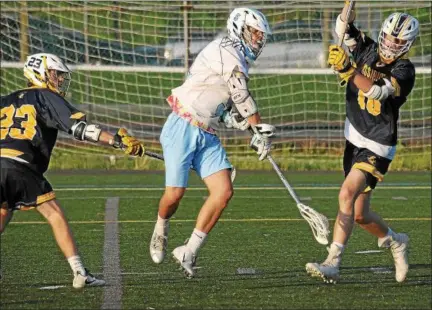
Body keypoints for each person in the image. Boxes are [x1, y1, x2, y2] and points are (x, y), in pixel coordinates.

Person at [149, 7, 275, 278]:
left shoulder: (237, 56)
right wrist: (258, 130)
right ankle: (161, 227)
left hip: (206, 131)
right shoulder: (227, 49)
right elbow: (241, 94)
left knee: (223, 191)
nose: (257, 39)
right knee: (174, 196)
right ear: (239, 27)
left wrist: (234, 120)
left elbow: (223, 102)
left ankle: (189, 251)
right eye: (254, 32)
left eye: (260, 35)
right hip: (182, 125)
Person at [0, 53, 145, 288]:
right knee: (54, 214)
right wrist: (116, 140)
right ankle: (80, 272)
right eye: (55, 74)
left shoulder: (5, 100)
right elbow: (80, 129)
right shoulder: (45, 96)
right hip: (20, 164)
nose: (59, 79)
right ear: (41, 74)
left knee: (3, 211)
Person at [305, 2, 419, 284]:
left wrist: (348, 70)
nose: (392, 44)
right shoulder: (366, 47)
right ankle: (395, 241)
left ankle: (333, 260)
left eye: (399, 40)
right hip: (353, 135)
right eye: (390, 37)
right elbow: (342, 29)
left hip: (378, 144)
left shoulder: (405, 69)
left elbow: (379, 92)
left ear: (407, 44)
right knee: (359, 214)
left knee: (346, 194)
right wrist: (346, 14)